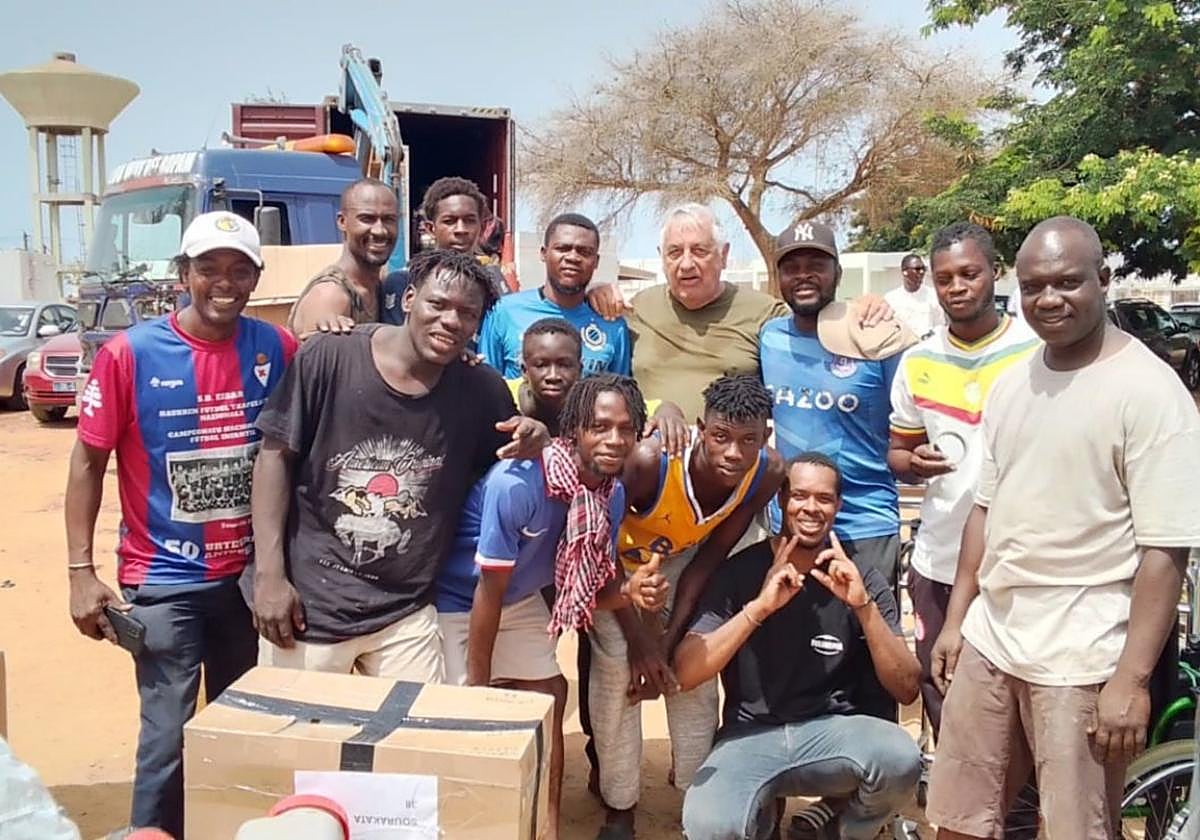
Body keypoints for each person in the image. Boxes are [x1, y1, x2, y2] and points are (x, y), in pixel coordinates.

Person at [926, 217, 1200, 839]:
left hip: (1082, 653)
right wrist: (957, 620)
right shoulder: (1013, 383)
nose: (1048, 299)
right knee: (958, 820)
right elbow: (985, 510)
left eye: (1067, 282)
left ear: (1103, 279)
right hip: (994, 637)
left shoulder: (1149, 393)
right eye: (1033, 287)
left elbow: (1165, 552)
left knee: (1076, 827)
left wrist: (1131, 679)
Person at [65, 211, 297, 838]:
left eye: (239, 270)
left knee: (239, 728)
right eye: (208, 268)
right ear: (183, 276)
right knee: (167, 735)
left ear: (256, 278)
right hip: (165, 579)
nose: (224, 282)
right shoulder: (130, 355)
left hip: (248, 581)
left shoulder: (277, 349)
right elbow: (87, 460)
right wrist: (80, 571)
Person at [246, 248, 549, 681]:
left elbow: (508, 464)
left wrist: (537, 437)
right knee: (301, 725)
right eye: (437, 304)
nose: (450, 320)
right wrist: (269, 577)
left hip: (407, 614)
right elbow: (274, 458)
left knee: (419, 724)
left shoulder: (481, 390)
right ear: (409, 299)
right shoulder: (330, 357)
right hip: (311, 608)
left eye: (467, 313)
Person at [437, 374, 660, 840]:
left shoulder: (610, 494)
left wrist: (630, 592)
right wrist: (479, 688)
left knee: (549, 698)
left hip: (518, 599)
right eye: (600, 427)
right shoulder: (518, 483)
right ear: (574, 429)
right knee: (461, 716)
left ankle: (546, 828)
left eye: (626, 429)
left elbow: (589, 586)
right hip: (462, 601)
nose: (614, 440)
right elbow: (488, 590)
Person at [676, 453, 921, 840]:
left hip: (831, 736)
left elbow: (907, 688)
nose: (811, 508)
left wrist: (863, 607)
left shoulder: (861, 577)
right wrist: (758, 608)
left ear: (838, 506)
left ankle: (841, 830)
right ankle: (762, 820)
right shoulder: (740, 571)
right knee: (710, 828)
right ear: (781, 501)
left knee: (900, 759)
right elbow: (687, 672)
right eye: (800, 496)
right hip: (750, 735)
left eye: (823, 498)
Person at [588, 373, 785, 840]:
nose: (733, 452)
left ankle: (697, 797)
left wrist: (665, 643)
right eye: (720, 437)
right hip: (616, 568)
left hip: (684, 562)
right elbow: (597, 551)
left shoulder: (767, 472)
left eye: (748, 440)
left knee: (690, 670)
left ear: (765, 437)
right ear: (700, 429)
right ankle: (620, 805)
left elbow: (709, 560)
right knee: (618, 674)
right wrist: (640, 643)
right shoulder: (650, 462)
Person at [887, 222, 1039, 735]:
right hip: (940, 558)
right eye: (945, 277)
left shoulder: (1036, 352)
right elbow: (897, 453)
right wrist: (913, 462)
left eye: (969, 274)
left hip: (1019, 564)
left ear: (995, 272)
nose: (957, 286)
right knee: (946, 698)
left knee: (1017, 712)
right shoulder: (918, 361)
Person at [759, 221, 916, 591]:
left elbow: (913, 424)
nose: (804, 276)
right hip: (792, 527)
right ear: (779, 278)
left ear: (838, 273)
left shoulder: (876, 337)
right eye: (792, 268)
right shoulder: (768, 338)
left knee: (871, 627)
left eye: (817, 265)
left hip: (865, 525)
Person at [479, 213, 631, 378]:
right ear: (543, 253)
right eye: (562, 248)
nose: (573, 257)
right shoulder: (504, 312)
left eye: (584, 252)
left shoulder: (612, 324)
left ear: (596, 261)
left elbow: (620, 390)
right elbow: (486, 383)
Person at [380, 177, 506, 323]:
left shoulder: (494, 283)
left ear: (481, 227)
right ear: (430, 228)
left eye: (469, 221)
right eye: (449, 221)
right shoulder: (403, 281)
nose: (461, 230)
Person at [287, 179, 398, 338]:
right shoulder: (331, 296)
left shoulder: (380, 285)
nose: (380, 231)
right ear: (342, 222)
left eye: (388, 219)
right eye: (367, 219)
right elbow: (322, 353)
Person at [507, 317, 584, 436]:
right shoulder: (501, 399)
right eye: (541, 365)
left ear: (580, 370)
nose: (553, 376)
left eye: (564, 365)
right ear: (524, 370)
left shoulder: (592, 410)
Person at [884, 254, 944, 339]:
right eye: (917, 269)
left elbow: (940, 325)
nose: (922, 272)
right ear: (904, 271)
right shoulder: (891, 299)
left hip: (927, 344)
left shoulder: (933, 295)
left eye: (923, 269)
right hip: (903, 345)